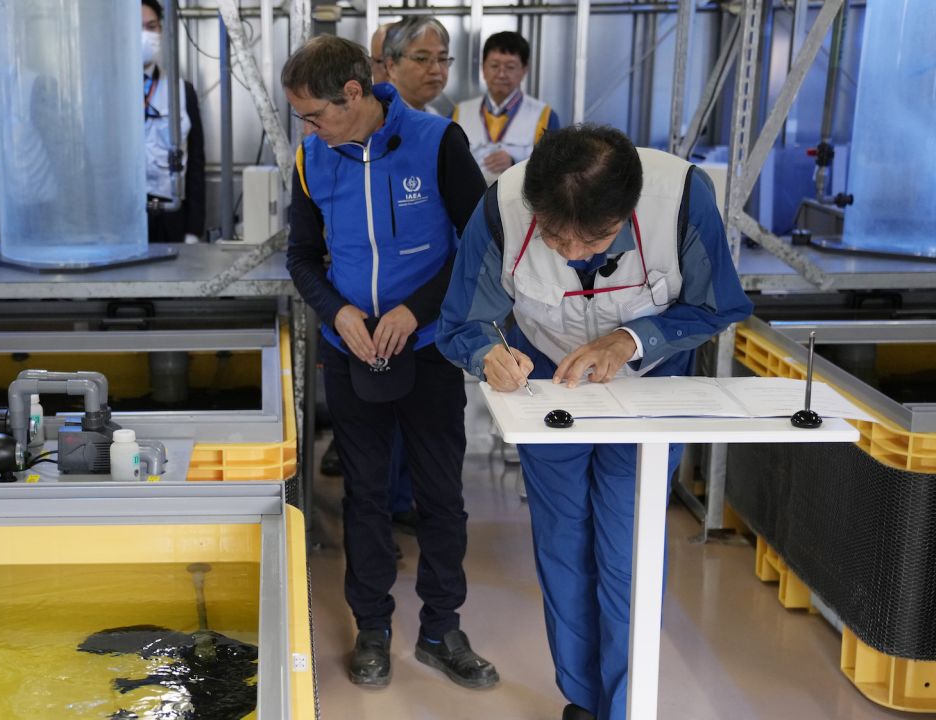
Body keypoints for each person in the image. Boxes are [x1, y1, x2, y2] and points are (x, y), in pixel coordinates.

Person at [437, 125, 754, 720]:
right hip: (551, 383)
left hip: (651, 379)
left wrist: (630, 339)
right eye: (556, 239)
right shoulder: (502, 209)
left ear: (629, 210)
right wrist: (487, 355)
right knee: (562, 539)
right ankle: (583, 698)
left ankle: (625, 705)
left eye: (599, 239)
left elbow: (719, 304)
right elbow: (461, 323)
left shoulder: (682, 197)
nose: (575, 255)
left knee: (627, 544)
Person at [282, 35, 497, 690]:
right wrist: (338, 313)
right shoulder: (312, 160)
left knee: (439, 496)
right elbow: (299, 256)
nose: (310, 129)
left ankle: (440, 629)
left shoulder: (436, 144)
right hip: (354, 354)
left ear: (354, 94)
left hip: (426, 349)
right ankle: (371, 627)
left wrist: (417, 311)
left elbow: (481, 243)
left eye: (315, 114)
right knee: (366, 496)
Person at [453, 31, 560, 184]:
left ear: (524, 70)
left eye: (510, 67)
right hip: (469, 203)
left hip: (521, 204)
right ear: (483, 68)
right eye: (494, 66)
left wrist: (514, 163)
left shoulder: (545, 116)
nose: (501, 74)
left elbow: (553, 171)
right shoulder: (459, 113)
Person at [141, 0, 205, 243]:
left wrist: (193, 229)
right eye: (138, 27)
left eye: (151, 26)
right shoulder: (108, 91)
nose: (145, 35)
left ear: (161, 30)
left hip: (171, 215)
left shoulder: (180, 91)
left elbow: (197, 162)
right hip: (124, 217)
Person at [383, 16, 453, 116]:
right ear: (391, 67)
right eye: (422, 59)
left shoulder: (435, 116)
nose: (436, 70)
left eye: (442, 59)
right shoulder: (377, 120)